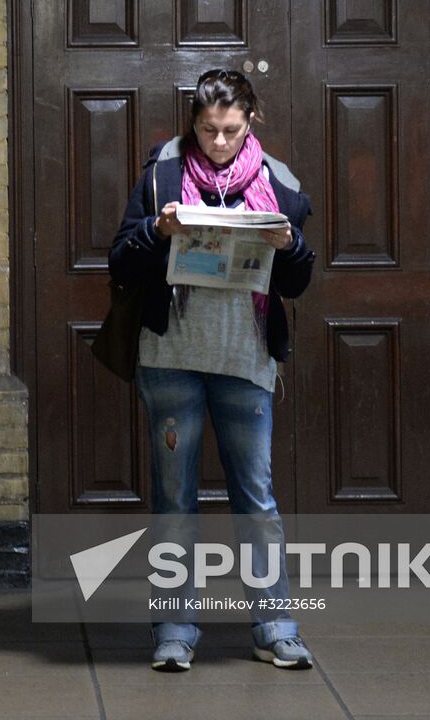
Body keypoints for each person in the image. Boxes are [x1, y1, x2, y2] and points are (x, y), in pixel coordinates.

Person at [108, 68, 315, 672]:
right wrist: (157, 229)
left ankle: (275, 627)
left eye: (229, 130)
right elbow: (119, 260)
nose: (218, 142)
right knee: (175, 498)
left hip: (244, 360)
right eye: (206, 130)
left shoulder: (278, 183)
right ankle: (174, 628)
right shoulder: (162, 175)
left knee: (256, 499)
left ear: (250, 120)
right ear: (192, 124)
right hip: (170, 359)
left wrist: (288, 245)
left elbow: (299, 281)